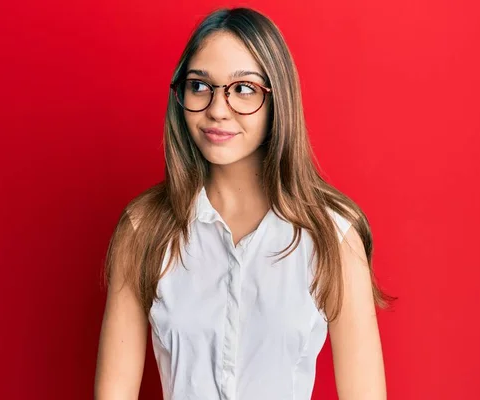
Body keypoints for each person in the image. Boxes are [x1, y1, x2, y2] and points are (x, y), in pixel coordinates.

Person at [95, 7, 394, 400]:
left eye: (244, 89)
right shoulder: (144, 229)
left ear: (277, 100)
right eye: (200, 86)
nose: (218, 110)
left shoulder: (332, 237)